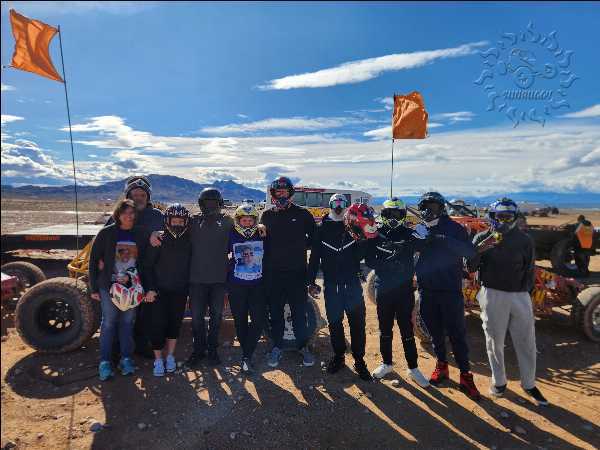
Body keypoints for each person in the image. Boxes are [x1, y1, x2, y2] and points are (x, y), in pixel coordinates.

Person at [468, 198, 549, 406]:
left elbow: (529, 269)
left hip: (519, 295)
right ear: (492, 217)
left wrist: (524, 293)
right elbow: (469, 267)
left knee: (526, 341)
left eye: (508, 217)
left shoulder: (524, 240)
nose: (503, 221)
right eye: (499, 216)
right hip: (492, 294)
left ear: (514, 217)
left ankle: (529, 384)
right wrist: (481, 248)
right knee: (494, 341)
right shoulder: (482, 237)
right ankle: (499, 382)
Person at [415, 192, 481, 400]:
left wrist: (442, 239)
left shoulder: (455, 228)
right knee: (435, 333)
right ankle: (441, 365)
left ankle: (465, 375)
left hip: (450, 291)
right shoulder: (421, 228)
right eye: (424, 207)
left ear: (441, 208)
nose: (428, 211)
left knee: (457, 334)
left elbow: (469, 252)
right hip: (427, 291)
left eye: (432, 206)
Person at [308, 196, 375, 381]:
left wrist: (363, 239)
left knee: (357, 324)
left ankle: (359, 360)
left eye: (342, 204)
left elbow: (359, 257)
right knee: (335, 324)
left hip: (352, 285)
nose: (338, 207)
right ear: (330, 205)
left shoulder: (353, 227)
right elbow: (314, 257)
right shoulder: (321, 228)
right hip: (332, 286)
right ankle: (338, 356)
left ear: (347, 206)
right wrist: (311, 281)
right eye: (335, 203)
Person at [365, 197, 430, 387]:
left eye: (397, 214)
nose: (393, 218)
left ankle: (413, 368)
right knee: (385, 330)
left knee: (407, 330)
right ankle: (386, 364)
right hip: (383, 288)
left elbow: (424, 248)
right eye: (389, 214)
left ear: (403, 216)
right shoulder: (376, 234)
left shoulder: (410, 234)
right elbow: (369, 259)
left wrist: (424, 234)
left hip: (404, 291)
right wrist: (386, 263)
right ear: (383, 215)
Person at [89, 199, 149, 381]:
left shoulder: (139, 233)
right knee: (109, 322)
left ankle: (126, 359)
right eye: (125, 213)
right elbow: (94, 260)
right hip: (109, 286)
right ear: (118, 214)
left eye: (132, 213)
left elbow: (145, 260)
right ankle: (105, 362)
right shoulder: (106, 233)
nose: (129, 216)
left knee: (127, 322)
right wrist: (94, 287)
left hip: (131, 287)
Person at [261, 176, 316, 368]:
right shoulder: (266, 216)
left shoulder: (303, 214)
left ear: (290, 193)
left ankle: (303, 347)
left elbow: (314, 239)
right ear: (273, 194)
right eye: (278, 192)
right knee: (276, 313)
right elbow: (261, 243)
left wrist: (300, 246)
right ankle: (277, 346)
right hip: (273, 275)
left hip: (297, 274)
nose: (281, 195)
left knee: (299, 313)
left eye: (284, 192)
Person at [106, 176, 163, 359]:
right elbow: (106, 237)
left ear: (148, 197)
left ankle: (141, 345)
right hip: (123, 269)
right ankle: (116, 350)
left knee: (145, 310)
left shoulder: (157, 215)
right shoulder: (120, 213)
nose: (138, 198)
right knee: (122, 308)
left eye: (142, 195)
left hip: (149, 269)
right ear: (128, 196)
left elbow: (166, 235)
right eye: (134, 195)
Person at [142, 204, 192, 377]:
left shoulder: (189, 240)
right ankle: (158, 359)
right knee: (157, 325)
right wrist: (150, 288)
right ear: (167, 221)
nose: (177, 224)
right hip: (158, 291)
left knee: (174, 324)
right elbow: (147, 266)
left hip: (180, 290)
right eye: (174, 220)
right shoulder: (159, 239)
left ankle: (170, 356)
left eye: (181, 221)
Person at [227, 203, 267, 373]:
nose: (248, 223)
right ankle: (247, 357)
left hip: (257, 285)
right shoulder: (230, 234)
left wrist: (262, 227)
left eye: (251, 220)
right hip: (236, 285)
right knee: (240, 321)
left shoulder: (262, 233)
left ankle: (246, 355)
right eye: (244, 220)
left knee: (259, 321)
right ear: (238, 221)